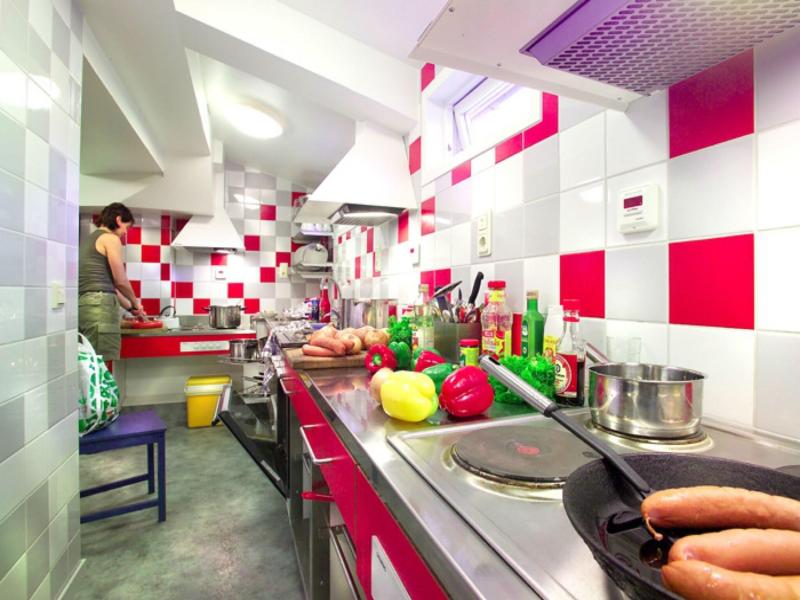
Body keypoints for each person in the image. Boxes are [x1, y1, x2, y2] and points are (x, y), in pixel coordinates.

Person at [78, 203, 146, 361]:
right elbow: (120, 280)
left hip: (86, 305)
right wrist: (136, 303)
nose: (125, 232)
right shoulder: (110, 238)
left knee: (92, 362)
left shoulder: (90, 239)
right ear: (118, 220)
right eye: (126, 227)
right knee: (101, 361)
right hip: (100, 307)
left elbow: (111, 286)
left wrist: (131, 308)